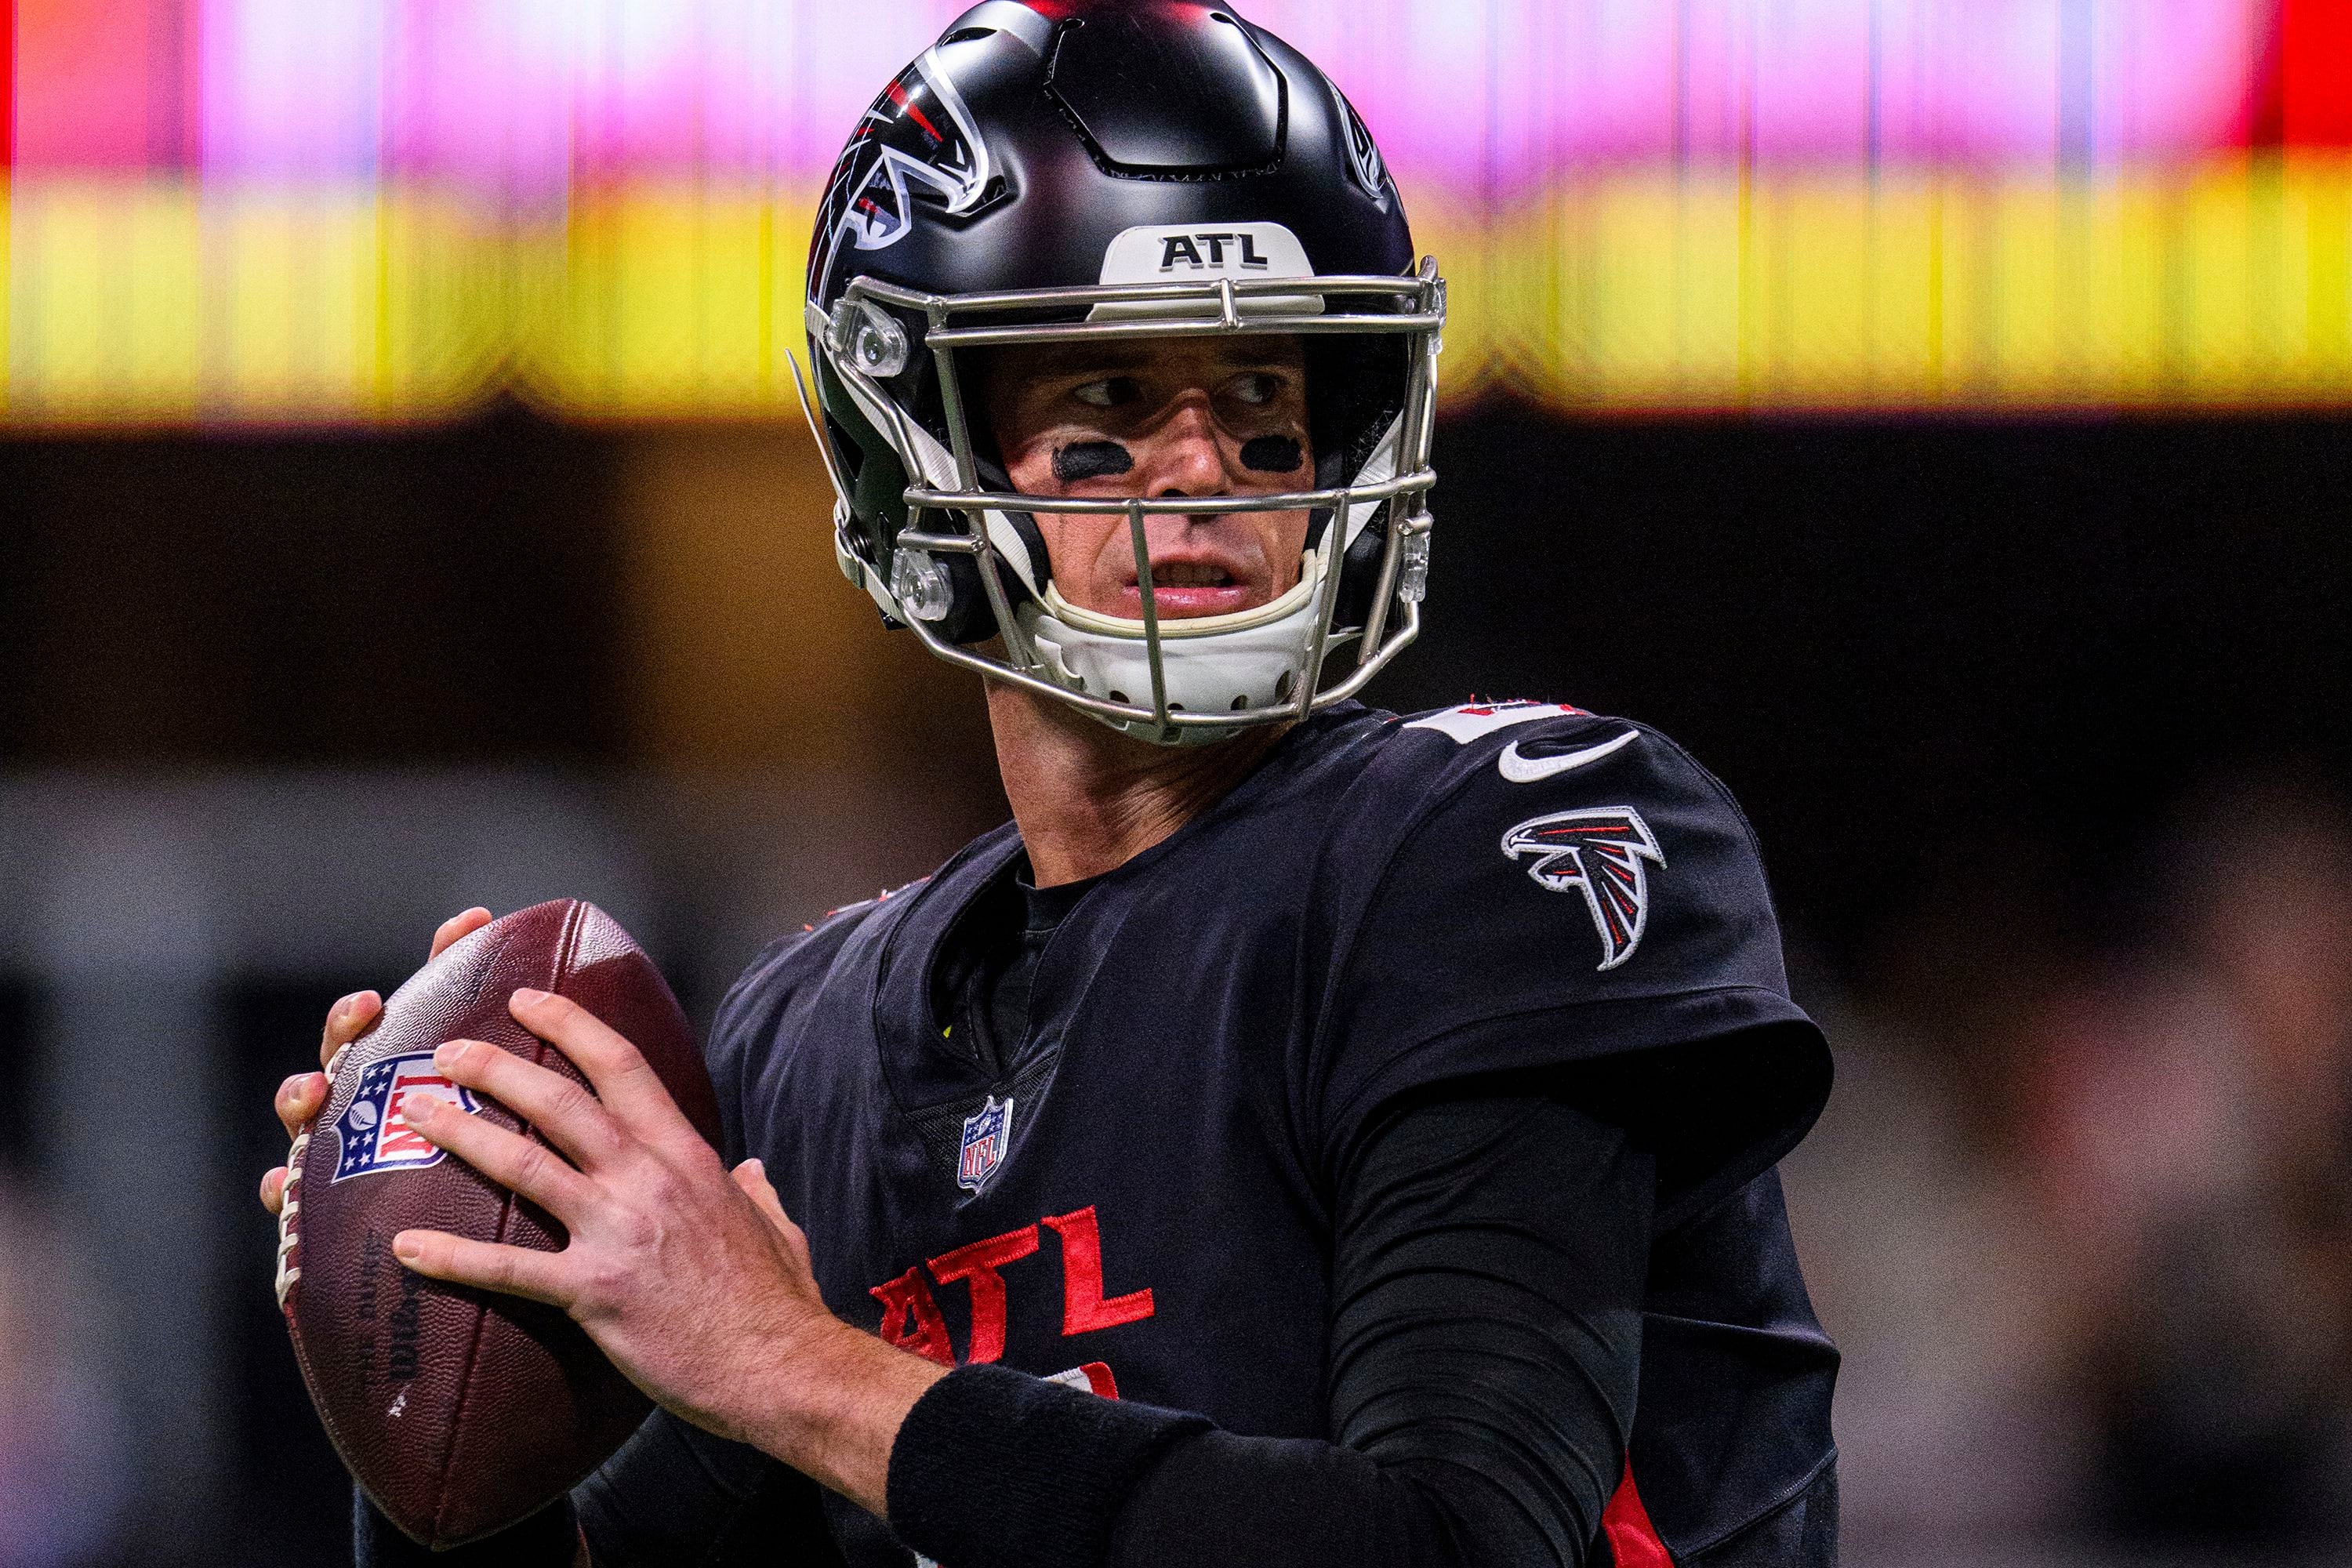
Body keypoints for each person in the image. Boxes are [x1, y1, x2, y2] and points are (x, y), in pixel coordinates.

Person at [259, 4, 1838, 1564]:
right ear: (914, 458)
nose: (1206, 468)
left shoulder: (1488, 849)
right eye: (1109, 409)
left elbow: (1451, 1539)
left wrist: (792, 1363)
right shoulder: (824, 1037)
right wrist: (439, 1303)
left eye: (1268, 413)